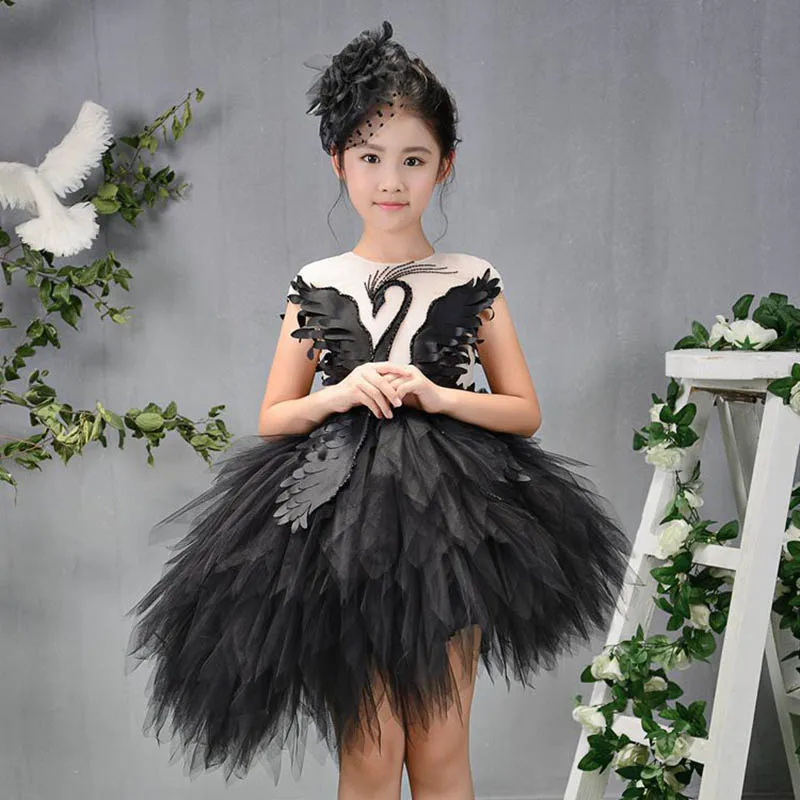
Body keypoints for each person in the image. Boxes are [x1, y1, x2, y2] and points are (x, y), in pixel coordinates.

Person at [125, 20, 633, 799]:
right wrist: (337, 393)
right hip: (338, 526)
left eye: (413, 159)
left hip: (452, 526)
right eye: (370, 157)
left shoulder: (471, 277)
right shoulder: (317, 280)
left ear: (444, 165)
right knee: (370, 752)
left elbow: (524, 411)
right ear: (338, 161)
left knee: (439, 748)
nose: (390, 179)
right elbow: (274, 415)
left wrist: (438, 394)